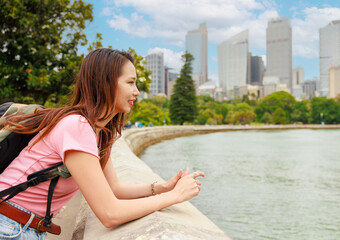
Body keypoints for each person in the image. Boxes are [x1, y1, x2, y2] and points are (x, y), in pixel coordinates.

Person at [0, 48, 204, 239]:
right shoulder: (76, 126)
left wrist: (162, 187)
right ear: (105, 83)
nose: (137, 92)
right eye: (130, 83)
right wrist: (176, 196)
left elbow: (114, 189)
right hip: (8, 225)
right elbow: (109, 213)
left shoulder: (97, 133)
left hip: (20, 226)